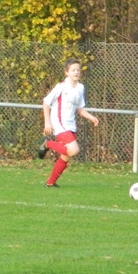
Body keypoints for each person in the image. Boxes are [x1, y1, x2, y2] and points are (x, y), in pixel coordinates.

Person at [36, 58, 100, 188]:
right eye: (73, 70)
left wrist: (91, 117)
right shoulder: (61, 86)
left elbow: (80, 109)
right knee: (74, 150)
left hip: (70, 125)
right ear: (67, 72)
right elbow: (46, 102)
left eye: (78, 70)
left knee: (66, 155)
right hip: (59, 122)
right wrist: (47, 123)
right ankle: (47, 144)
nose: (76, 72)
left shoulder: (80, 88)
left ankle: (50, 183)